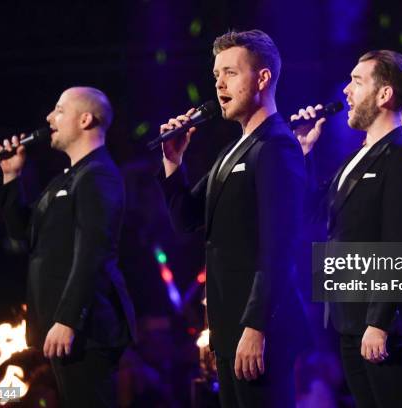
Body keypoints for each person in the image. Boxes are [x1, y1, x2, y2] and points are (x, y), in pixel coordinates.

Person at [158, 30, 309, 407]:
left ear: (262, 78)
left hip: (259, 328)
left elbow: (280, 246)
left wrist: (255, 325)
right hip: (228, 330)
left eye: (230, 73)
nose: (219, 84)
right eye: (216, 75)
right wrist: (173, 163)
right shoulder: (233, 150)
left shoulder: (277, 146)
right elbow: (185, 220)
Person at [292, 50, 402, 408]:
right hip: (349, 317)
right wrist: (305, 151)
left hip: (380, 322)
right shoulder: (357, 156)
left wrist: (380, 321)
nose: (346, 93)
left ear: (384, 95)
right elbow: (310, 213)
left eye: (357, 81)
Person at [0, 87, 136, 407]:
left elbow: (93, 252)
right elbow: (23, 233)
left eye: (59, 109)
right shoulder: (66, 178)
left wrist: (69, 318)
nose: (48, 118)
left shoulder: (98, 176)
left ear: (85, 119)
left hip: (88, 330)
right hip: (64, 331)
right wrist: (12, 177)